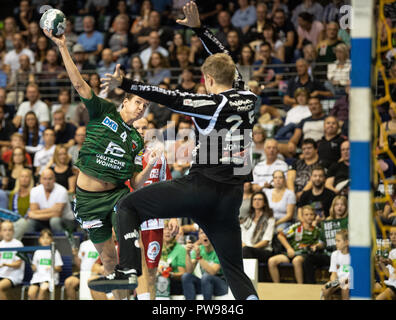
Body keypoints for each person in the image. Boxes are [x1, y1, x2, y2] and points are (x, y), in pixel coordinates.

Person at [89, 1, 259, 300]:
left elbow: (169, 97)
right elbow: (227, 59)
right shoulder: (248, 96)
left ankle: (128, 269)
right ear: (233, 76)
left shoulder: (211, 104)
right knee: (234, 268)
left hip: (202, 187)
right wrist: (200, 29)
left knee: (128, 206)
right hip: (231, 198)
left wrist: (127, 83)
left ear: (207, 80)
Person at [43, 26, 179, 300]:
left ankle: (132, 277)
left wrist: (151, 166)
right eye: (138, 102)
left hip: (117, 195)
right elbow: (80, 84)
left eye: (145, 106)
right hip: (87, 200)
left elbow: (137, 182)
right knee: (107, 259)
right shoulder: (103, 111)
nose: (142, 108)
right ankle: (121, 286)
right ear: (125, 101)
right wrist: (62, 47)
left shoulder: (136, 141)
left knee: (129, 227)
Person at [268, 205, 321, 284]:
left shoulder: (317, 230)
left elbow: (321, 243)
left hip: (304, 254)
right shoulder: (296, 227)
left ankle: (300, 286)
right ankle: (277, 285)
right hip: (292, 252)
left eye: (311, 214)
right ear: (302, 216)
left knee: (296, 261)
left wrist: (316, 246)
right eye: (306, 215)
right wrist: (289, 248)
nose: (309, 217)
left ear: (315, 216)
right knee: (272, 261)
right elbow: (280, 235)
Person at [303, 195, 348, 284]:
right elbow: (322, 242)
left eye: (342, 205)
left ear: (346, 207)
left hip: (343, 254)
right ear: (333, 207)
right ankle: (310, 285)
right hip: (328, 254)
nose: (339, 207)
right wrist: (317, 246)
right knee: (308, 259)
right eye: (337, 205)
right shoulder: (327, 221)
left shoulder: (349, 221)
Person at [182, 227, 228, 300]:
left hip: (221, 285)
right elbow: (189, 271)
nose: (205, 235)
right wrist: (187, 253)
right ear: (199, 237)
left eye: (207, 232)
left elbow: (212, 272)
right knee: (186, 276)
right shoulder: (199, 249)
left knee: (206, 277)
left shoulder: (219, 250)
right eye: (202, 233)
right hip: (206, 284)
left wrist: (199, 257)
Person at [25, 168, 76, 234]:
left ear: (54, 179)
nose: (47, 182)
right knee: (30, 222)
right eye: (45, 179)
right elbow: (33, 210)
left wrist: (34, 215)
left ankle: (62, 242)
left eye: (50, 179)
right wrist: (52, 210)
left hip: (66, 220)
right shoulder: (34, 191)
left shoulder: (62, 190)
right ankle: (32, 243)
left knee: (54, 220)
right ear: (40, 180)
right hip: (44, 221)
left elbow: (57, 214)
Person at [27, 229, 63, 300]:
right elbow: (34, 268)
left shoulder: (55, 252)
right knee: (31, 293)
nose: (45, 240)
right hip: (37, 278)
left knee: (43, 289)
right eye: (43, 238)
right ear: (39, 240)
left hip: (50, 278)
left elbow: (59, 268)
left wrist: (52, 267)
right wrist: (32, 265)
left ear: (51, 239)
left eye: (47, 238)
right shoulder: (37, 252)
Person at [240, 191, 275, 264]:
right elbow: (241, 238)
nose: (257, 201)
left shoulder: (269, 219)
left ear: (264, 203)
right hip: (246, 249)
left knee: (246, 251)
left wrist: (250, 248)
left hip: (263, 251)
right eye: (254, 199)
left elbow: (266, 241)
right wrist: (245, 247)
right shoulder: (247, 219)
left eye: (260, 199)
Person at [155, 220, 186, 299]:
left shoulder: (180, 249)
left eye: (170, 229)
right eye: (165, 229)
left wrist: (170, 274)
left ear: (175, 232)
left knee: (162, 279)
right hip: (155, 280)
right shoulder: (155, 247)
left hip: (173, 282)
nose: (167, 232)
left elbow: (182, 273)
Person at [321, 229, 350, 300]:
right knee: (325, 288)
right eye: (335, 241)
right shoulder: (334, 254)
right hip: (338, 281)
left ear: (346, 242)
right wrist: (334, 282)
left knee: (345, 288)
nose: (336, 243)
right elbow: (334, 273)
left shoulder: (354, 255)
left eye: (338, 241)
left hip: (350, 281)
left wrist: (343, 282)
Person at [0, 220, 25, 300]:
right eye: (5, 230)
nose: (7, 232)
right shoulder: (1, 244)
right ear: (1, 232)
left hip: (13, 276)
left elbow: (18, 264)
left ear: (13, 232)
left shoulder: (18, 244)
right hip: (1, 274)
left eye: (10, 230)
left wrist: (6, 264)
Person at [8, 168, 34, 240]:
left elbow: (34, 210)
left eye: (26, 177)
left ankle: (11, 245)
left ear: (30, 179)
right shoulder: (13, 194)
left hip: (29, 221)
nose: (24, 179)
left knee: (23, 223)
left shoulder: (34, 193)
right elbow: (10, 210)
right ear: (19, 179)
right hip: (14, 221)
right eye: (22, 176)